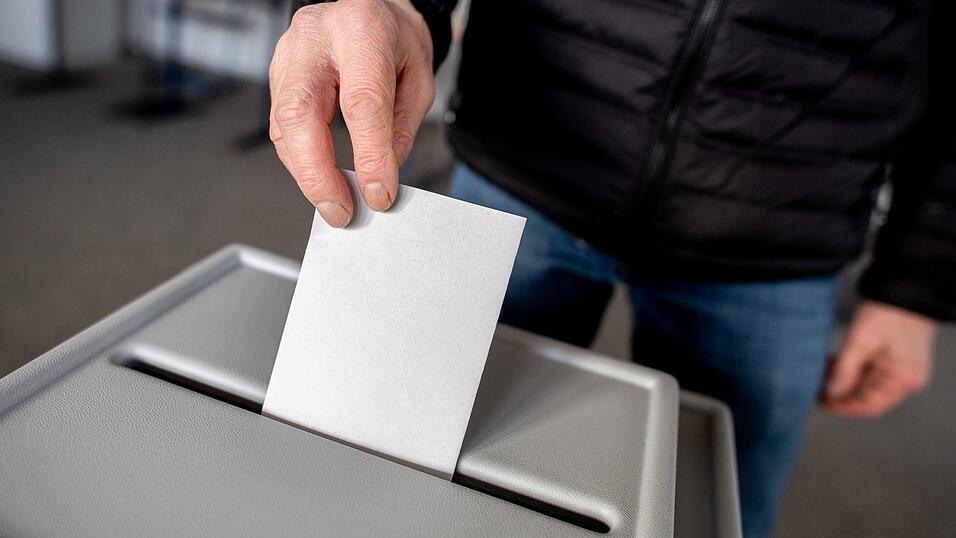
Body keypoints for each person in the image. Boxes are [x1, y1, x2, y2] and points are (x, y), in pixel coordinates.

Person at [267, 1, 954, 536]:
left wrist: (918, 286)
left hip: (780, 228)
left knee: (709, 512)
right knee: (426, 480)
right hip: (525, 160)